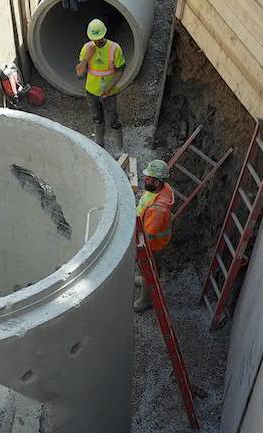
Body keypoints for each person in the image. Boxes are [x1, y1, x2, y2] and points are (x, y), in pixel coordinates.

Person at [75, 18, 126, 154]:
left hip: (109, 92)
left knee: (113, 120)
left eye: (99, 38)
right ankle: (99, 146)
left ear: (104, 34)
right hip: (91, 91)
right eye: (94, 39)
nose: (97, 42)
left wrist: (109, 87)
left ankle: (119, 149)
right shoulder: (87, 48)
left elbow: (120, 70)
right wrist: (86, 58)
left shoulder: (114, 48)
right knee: (97, 119)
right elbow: (79, 71)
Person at [134, 160, 174, 312]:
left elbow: (147, 236)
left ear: (157, 182)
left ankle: (146, 301)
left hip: (153, 246)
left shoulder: (158, 209)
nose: (144, 179)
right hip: (150, 235)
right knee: (143, 270)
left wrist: (136, 250)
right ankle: (142, 279)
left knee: (148, 270)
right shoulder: (159, 189)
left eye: (148, 178)